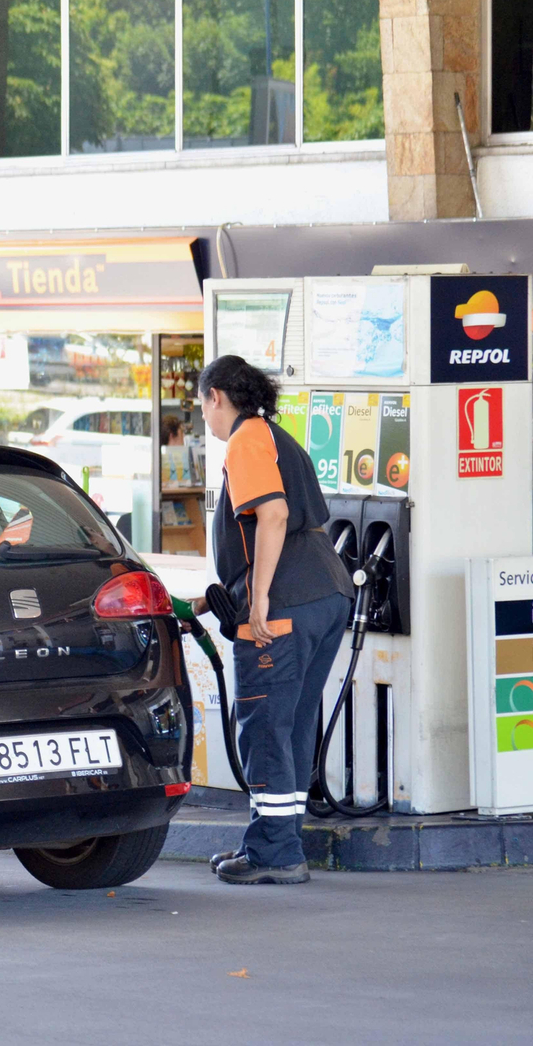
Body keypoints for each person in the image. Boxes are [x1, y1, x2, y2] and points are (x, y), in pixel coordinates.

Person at [187, 355, 354, 885]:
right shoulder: (278, 436)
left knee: (264, 723)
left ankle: (274, 853)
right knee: (294, 720)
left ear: (216, 396)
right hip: (324, 590)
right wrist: (217, 597)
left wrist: (257, 600)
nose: (205, 419)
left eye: (202, 406)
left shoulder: (244, 439)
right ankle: (278, 840)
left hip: (283, 604)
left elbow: (274, 515)